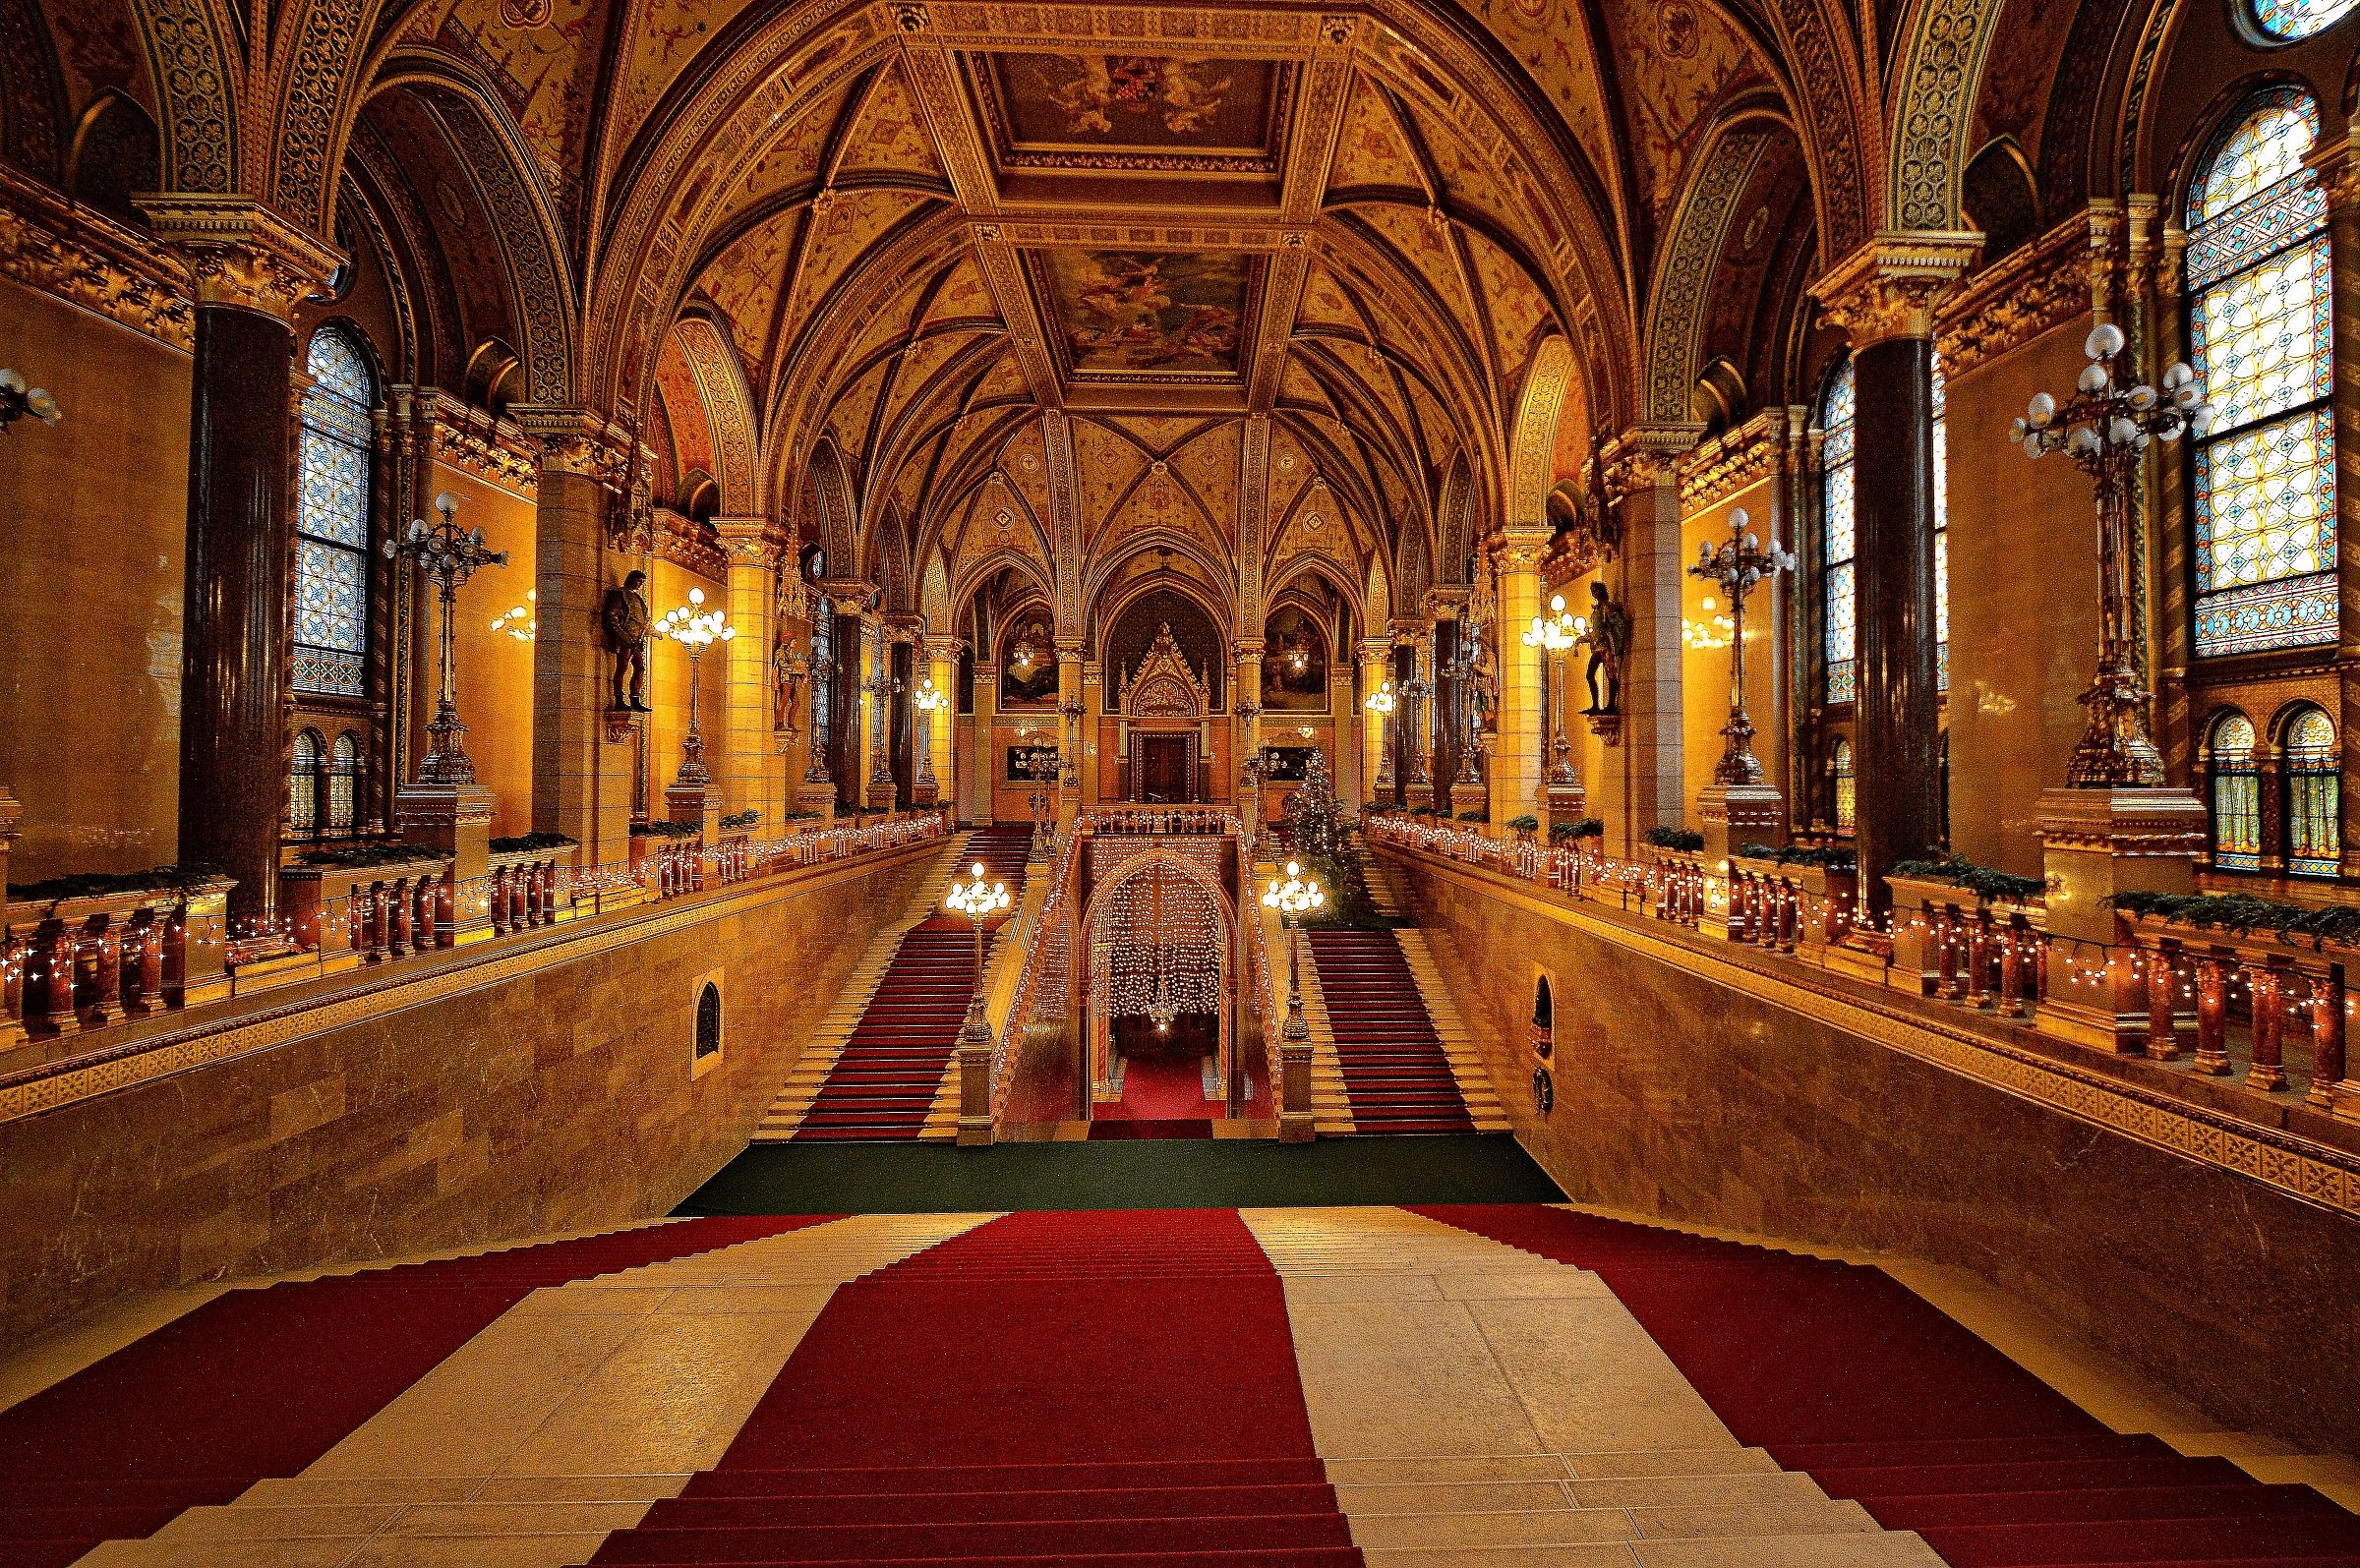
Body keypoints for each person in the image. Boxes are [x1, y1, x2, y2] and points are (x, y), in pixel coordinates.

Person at [603, 569, 653, 712]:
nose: (640, 584)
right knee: (622, 668)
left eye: (642, 582)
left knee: (640, 667)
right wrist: (621, 634)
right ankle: (619, 699)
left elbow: (641, 621)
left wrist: (653, 631)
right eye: (638, 580)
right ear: (631, 579)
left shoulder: (638, 599)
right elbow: (612, 616)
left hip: (637, 639)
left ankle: (635, 698)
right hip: (625, 638)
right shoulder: (620, 594)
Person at [1579, 581, 1628, 715]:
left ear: (1601, 591)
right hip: (1597, 647)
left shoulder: (1606, 608)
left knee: (1610, 675)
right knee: (1589, 675)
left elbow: (1617, 623)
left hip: (1606, 647)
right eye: (1592, 590)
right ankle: (1595, 705)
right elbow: (1595, 632)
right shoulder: (1596, 610)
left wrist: (1615, 639)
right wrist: (1581, 639)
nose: (1593, 592)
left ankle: (1612, 704)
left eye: (1595, 589)